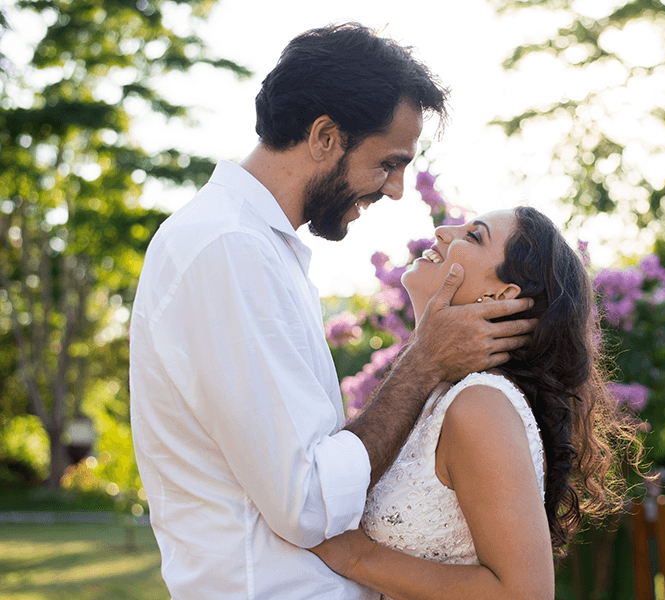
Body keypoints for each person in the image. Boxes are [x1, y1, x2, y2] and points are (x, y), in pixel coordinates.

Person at [129, 24, 536, 600]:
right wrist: (424, 364)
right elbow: (309, 504)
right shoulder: (229, 249)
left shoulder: (260, 249)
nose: (396, 189)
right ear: (324, 136)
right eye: (388, 163)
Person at [309, 207, 643, 600]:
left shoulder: (480, 404)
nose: (442, 231)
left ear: (501, 296)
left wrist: (356, 556)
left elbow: (526, 594)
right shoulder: (437, 395)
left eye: (473, 236)